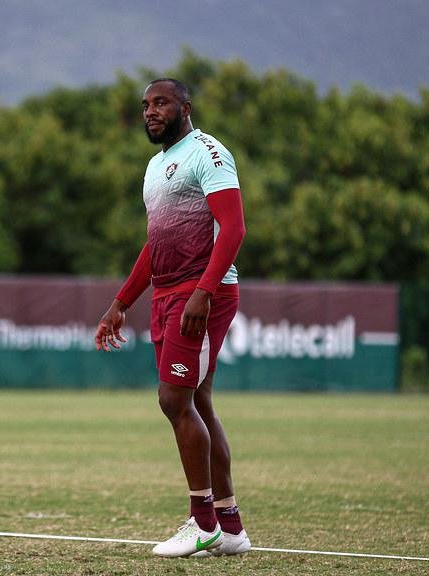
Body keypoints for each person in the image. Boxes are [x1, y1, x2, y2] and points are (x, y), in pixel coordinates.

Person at [94, 78, 250, 558]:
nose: (150, 112)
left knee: (172, 399)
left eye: (160, 102)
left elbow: (234, 227)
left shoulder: (208, 151)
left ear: (185, 106)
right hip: (167, 294)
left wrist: (204, 291)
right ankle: (230, 528)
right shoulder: (155, 166)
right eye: (144, 105)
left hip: (201, 293)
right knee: (197, 402)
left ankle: (201, 522)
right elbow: (155, 243)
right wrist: (121, 302)